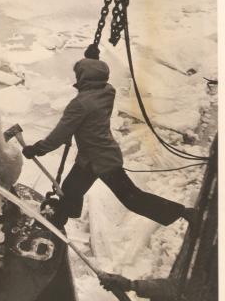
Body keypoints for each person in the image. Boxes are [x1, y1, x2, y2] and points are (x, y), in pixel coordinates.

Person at [22, 43, 196, 227]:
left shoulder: (80, 104)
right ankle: (59, 221)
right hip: (92, 158)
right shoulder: (107, 91)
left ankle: (182, 212)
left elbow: (60, 134)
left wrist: (38, 149)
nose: (77, 78)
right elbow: (96, 78)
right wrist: (93, 61)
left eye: (79, 74)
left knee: (132, 198)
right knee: (70, 190)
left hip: (102, 161)